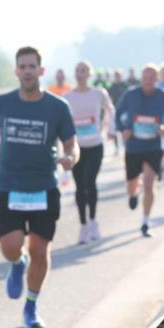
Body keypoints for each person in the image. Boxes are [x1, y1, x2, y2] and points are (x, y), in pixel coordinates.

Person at [0, 46, 77, 328]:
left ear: (41, 70)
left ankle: (31, 306)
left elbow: (72, 143)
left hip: (43, 187)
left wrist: (71, 157)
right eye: (22, 66)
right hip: (9, 186)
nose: (27, 71)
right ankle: (16, 263)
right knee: (10, 246)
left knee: (40, 250)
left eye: (31, 66)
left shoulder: (58, 107)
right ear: (16, 71)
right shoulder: (2, 104)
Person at [114, 63, 164, 237]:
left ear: (157, 79)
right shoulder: (131, 95)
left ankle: (145, 221)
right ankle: (133, 194)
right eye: (145, 78)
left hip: (153, 146)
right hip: (134, 146)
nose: (148, 81)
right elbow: (118, 113)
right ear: (141, 78)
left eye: (152, 78)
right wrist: (123, 129)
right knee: (131, 184)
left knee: (150, 184)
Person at [64, 61, 114, 243]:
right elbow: (64, 120)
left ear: (89, 74)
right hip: (76, 147)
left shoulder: (99, 93)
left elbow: (110, 109)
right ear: (75, 74)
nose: (80, 74)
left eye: (84, 71)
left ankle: (93, 221)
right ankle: (83, 225)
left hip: (95, 145)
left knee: (89, 182)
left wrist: (109, 128)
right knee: (79, 186)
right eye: (78, 70)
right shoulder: (68, 96)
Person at [107, 69, 129, 154]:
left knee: (124, 128)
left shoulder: (126, 85)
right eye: (116, 75)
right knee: (115, 128)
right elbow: (108, 98)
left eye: (119, 75)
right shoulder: (112, 87)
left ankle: (125, 145)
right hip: (115, 110)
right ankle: (116, 147)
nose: (117, 77)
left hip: (125, 111)